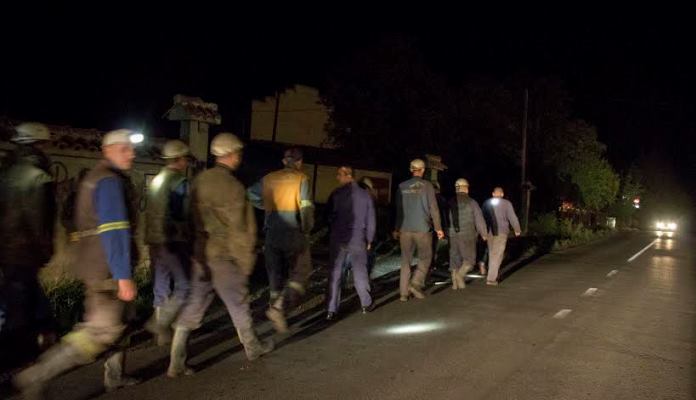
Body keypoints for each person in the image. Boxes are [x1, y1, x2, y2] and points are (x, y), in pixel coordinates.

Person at [14, 129, 141, 398]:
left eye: (131, 148)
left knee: (122, 322)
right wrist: (123, 275)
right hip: (106, 269)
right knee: (100, 331)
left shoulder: (93, 179)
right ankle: (37, 375)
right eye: (124, 148)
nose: (131, 153)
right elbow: (114, 230)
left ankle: (115, 376)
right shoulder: (108, 181)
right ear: (107, 151)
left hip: (94, 264)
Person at [167, 133, 273, 378]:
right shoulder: (233, 187)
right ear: (232, 155)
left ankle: (176, 362)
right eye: (238, 153)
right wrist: (245, 263)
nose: (240, 157)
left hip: (201, 255)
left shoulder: (198, 181)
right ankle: (253, 348)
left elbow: (188, 220)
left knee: (194, 304)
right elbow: (241, 230)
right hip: (224, 257)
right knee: (238, 303)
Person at [0, 122, 56, 369]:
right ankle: (19, 366)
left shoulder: (7, 174)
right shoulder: (38, 176)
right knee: (21, 312)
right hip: (25, 252)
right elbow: (38, 219)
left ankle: (26, 358)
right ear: (39, 145)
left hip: (8, 251)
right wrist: (45, 249)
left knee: (20, 306)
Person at [249, 148, 314, 333]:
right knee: (301, 271)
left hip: (271, 233)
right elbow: (306, 208)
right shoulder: (301, 179)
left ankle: (275, 309)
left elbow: (250, 194)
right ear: (299, 162)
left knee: (275, 275)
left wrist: (267, 207)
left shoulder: (269, 178)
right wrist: (307, 229)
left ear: (284, 161)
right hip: (293, 232)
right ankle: (279, 309)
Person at [144, 140, 192, 346]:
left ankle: (161, 334)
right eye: (186, 159)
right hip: (173, 239)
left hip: (154, 239)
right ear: (179, 159)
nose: (187, 163)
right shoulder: (180, 182)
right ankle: (161, 323)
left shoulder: (156, 180)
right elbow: (184, 213)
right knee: (184, 285)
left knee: (161, 284)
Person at [325, 166, 376, 321]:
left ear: (348, 175)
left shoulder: (336, 194)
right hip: (358, 238)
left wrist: (332, 229)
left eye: (339, 175)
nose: (337, 178)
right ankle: (366, 304)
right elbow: (371, 219)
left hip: (339, 238)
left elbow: (327, 216)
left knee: (335, 274)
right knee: (360, 272)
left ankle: (331, 309)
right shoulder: (364, 195)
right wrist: (369, 239)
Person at [393, 159, 444, 301]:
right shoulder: (427, 186)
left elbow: (399, 210)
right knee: (426, 257)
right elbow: (433, 208)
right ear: (422, 170)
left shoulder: (401, 186)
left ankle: (403, 293)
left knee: (405, 260)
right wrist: (438, 228)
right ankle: (415, 283)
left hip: (404, 229)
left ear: (411, 169)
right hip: (422, 228)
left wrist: (397, 228)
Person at [447, 179, 487, 289]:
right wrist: (483, 233)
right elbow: (479, 219)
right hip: (468, 234)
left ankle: (455, 284)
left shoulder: (450, 202)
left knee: (454, 258)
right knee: (469, 260)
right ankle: (460, 276)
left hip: (453, 234)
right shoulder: (472, 202)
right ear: (466, 188)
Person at [481, 187, 521, 285]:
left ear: (493, 194)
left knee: (492, 254)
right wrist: (517, 229)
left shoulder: (487, 203)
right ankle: (491, 279)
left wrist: (482, 231)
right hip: (501, 232)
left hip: (489, 232)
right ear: (502, 194)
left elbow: (481, 218)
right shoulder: (507, 204)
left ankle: (493, 273)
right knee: (497, 255)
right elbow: (512, 217)